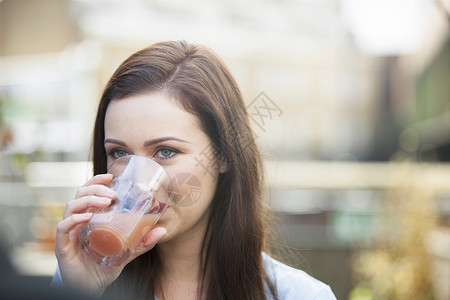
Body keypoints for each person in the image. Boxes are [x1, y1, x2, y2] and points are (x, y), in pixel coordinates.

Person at [52, 40, 336, 300]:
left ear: (224, 154)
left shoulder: (299, 295)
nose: (136, 182)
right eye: (120, 153)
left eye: (165, 152)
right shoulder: (79, 281)